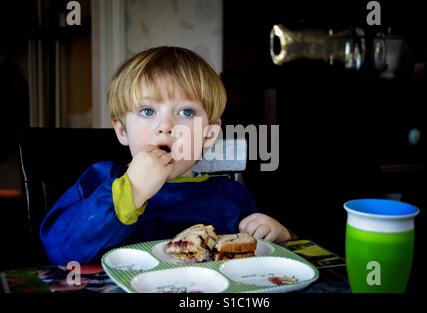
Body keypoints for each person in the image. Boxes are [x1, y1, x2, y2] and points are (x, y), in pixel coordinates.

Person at [40, 47, 290, 264]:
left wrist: (275, 236)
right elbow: (60, 252)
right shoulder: (100, 179)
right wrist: (132, 190)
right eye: (148, 111)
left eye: (185, 112)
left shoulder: (232, 196)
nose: (167, 125)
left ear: (208, 135)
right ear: (122, 130)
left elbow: (254, 263)